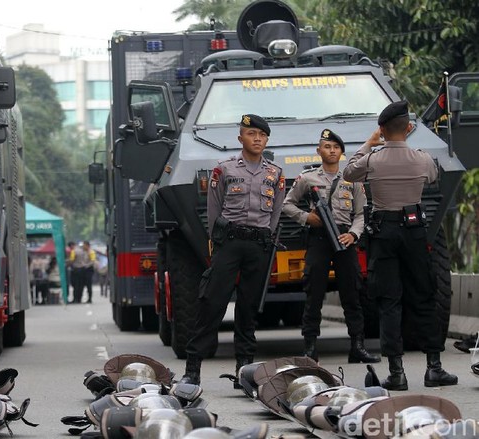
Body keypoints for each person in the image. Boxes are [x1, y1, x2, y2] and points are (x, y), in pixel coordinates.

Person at [343, 100, 457, 390]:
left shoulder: (372, 159)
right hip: (414, 231)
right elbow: (433, 176)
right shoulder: (422, 158)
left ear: (381, 130)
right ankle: (434, 368)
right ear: (408, 128)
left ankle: (397, 373)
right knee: (424, 296)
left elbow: (348, 172)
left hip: (383, 233)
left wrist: (369, 144)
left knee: (389, 302)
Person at [180, 114, 285, 385]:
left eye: (262, 135)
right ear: (241, 138)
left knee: (249, 308)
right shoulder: (224, 169)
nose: (258, 139)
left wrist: (267, 237)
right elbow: (214, 209)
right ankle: (193, 368)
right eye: (252, 134)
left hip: (259, 245)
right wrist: (216, 242)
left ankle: (245, 370)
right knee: (212, 303)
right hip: (229, 243)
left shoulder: (275, 173)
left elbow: (275, 213)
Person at [282, 128, 380, 364]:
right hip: (318, 239)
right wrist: (307, 218)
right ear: (319, 151)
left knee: (352, 293)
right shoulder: (307, 178)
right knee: (313, 293)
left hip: (344, 239)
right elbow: (287, 204)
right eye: (327, 147)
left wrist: (354, 235)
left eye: (336, 147)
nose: (332, 151)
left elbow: (361, 213)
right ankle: (310, 348)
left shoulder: (352, 179)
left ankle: (357, 346)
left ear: (342, 153)